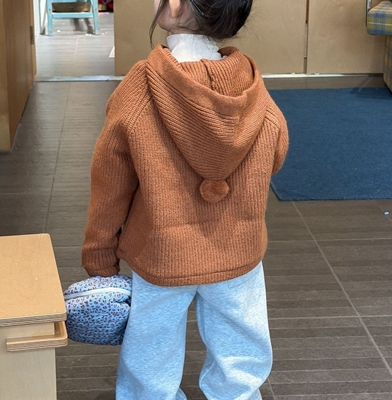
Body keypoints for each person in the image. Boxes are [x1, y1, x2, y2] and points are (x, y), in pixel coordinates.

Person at [82, 0, 289, 398]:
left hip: (160, 252)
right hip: (238, 249)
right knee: (241, 346)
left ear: (175, 6)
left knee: (150, 351)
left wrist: (99, 253)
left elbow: (110, 183)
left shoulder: (141, 88)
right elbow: (276, 153)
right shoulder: (251, 86)